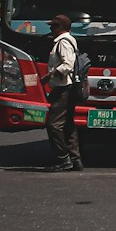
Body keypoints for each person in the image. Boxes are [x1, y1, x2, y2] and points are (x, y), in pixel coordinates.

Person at [43, 14, 83, 173]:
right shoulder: (65, 41)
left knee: (53, 124)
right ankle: (75, 159)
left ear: (60, 28)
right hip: (66, 87)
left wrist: (51, 74)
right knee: (67, 124)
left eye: (53, 26)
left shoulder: (63, 42)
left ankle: (63, 159)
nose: (51, 29)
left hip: (64, 88)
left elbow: (68, 65)